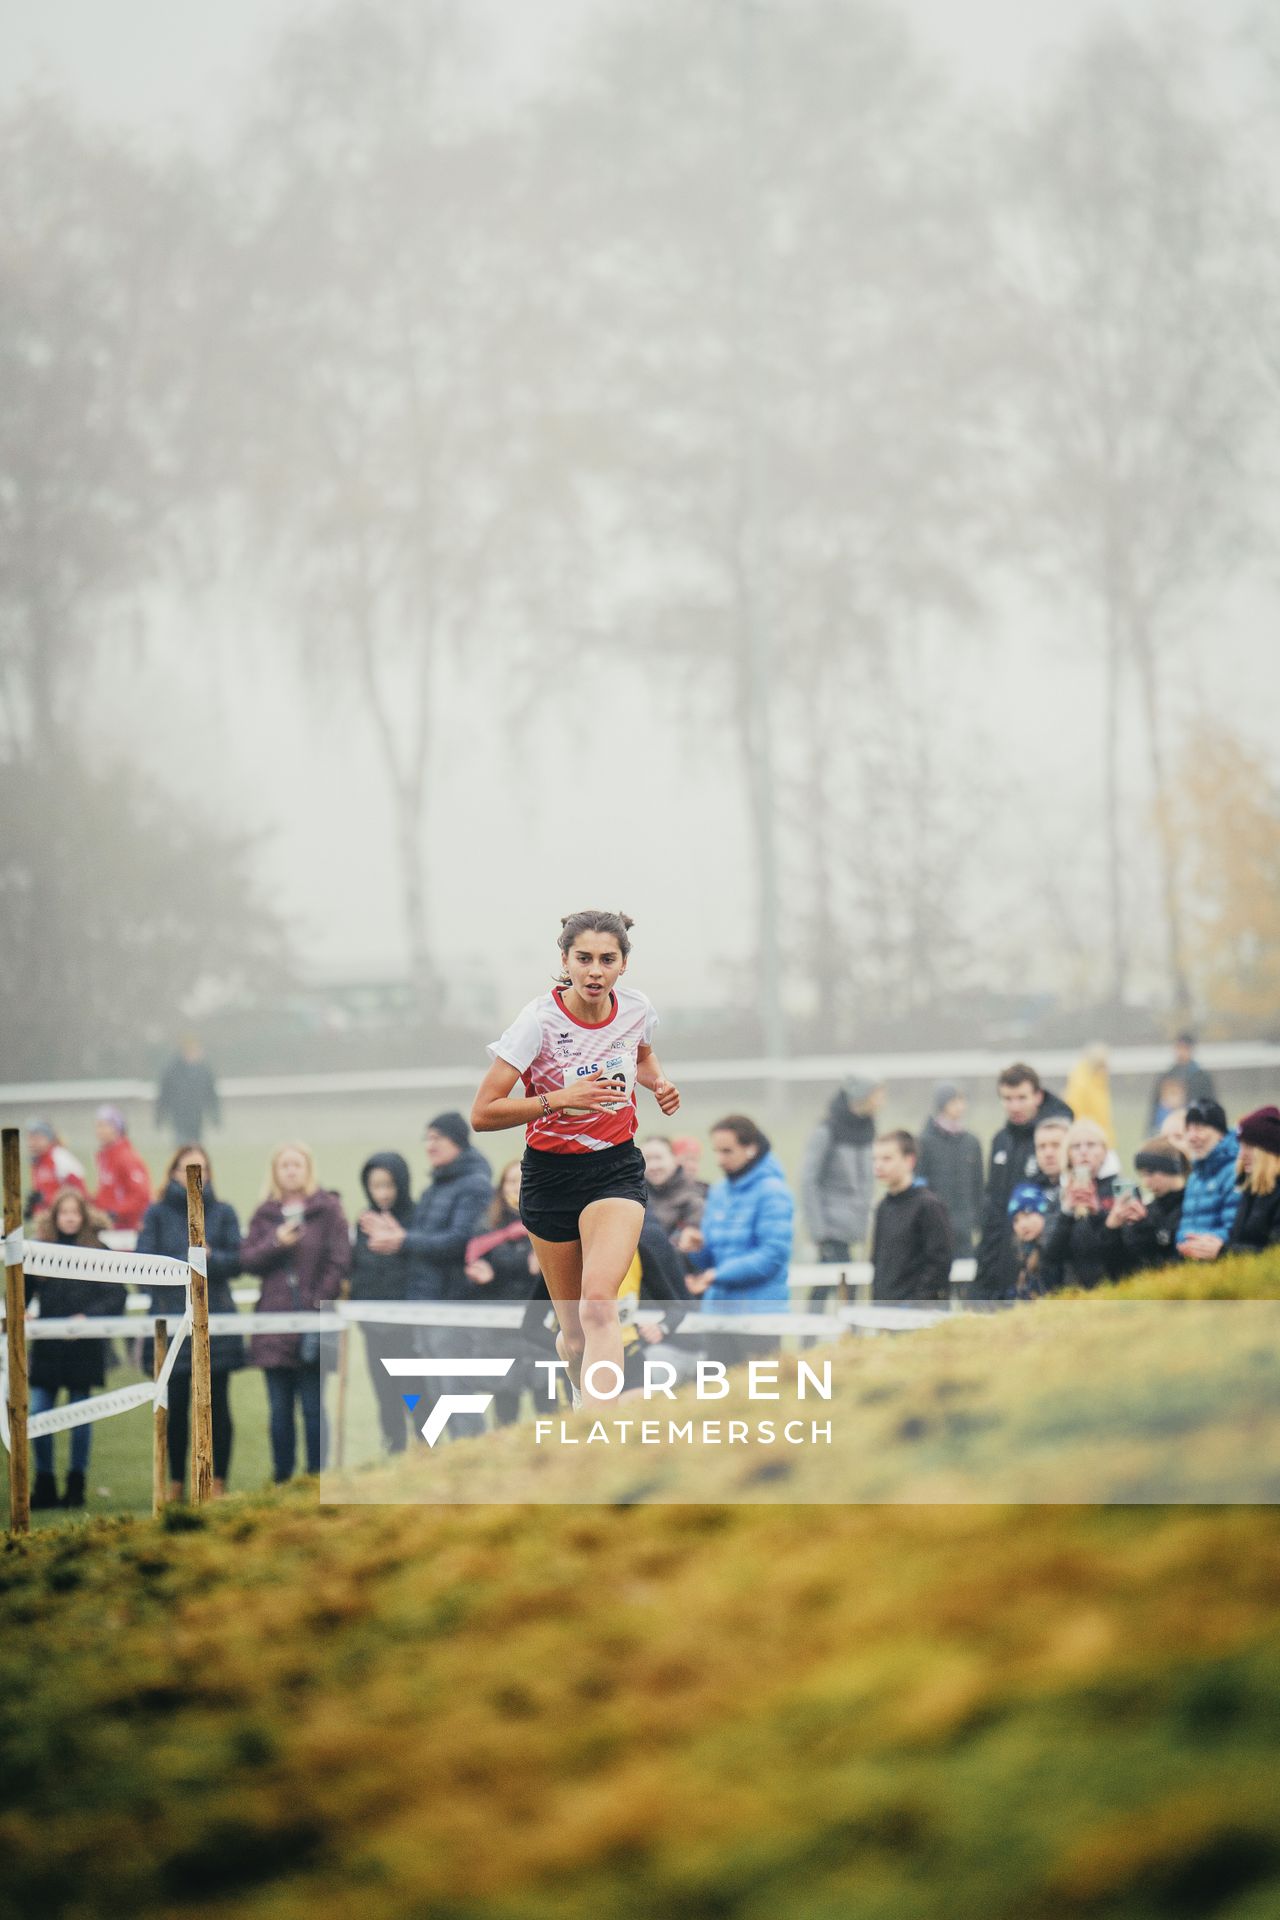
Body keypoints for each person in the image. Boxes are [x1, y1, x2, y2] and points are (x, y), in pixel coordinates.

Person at [471, 910, 681, 1412]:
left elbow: (642, 1054)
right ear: (565, 960)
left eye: (607, 960)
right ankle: (584, 1391)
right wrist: (558, 1099)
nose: (594, 971)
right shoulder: (537, 1022)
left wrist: (658, 1083)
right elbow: (483, 1113)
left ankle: (598, 1430)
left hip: (615, 1170)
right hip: (549, 1178)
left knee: (599, 1306)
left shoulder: (635, 1008)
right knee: (576, 1336)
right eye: (583, 959)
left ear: (623, 965)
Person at [362, 1114, 495, 1439]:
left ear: (459, 1141)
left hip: (451, 1305)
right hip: (426, 1305)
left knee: (456, 1397)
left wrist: (403, 1240)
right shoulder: (438, 1184)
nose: (430, 1145)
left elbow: (461, 1241)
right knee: (438, 1398)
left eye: (438, 1138)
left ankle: (474, 1465)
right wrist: (401, 1237)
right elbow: (425, 1239)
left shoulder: (474, 1185)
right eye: (427, 1138)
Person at [137, 1143, 244, 1501]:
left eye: (200, 1168)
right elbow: (143, 1267)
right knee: (176, 1408)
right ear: (172, 1173)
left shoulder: (224, 1212)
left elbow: (237, 1261)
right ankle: (176, 1485)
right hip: (173, 1324)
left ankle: (217, 1484)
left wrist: (212, 1259)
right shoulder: (155, 1215)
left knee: (219, 1407)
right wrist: (179, 1266)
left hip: (217, 1320)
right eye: (186, 1168)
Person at [243, 1144, 349, 1481]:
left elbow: (340, 1261)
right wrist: (276, 1243)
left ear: (308, 1169)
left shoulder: (328, 1210)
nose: (291, 1171)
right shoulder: (265, 1215)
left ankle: (318, 1477)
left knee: (314, 1407)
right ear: (275, 1172)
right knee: (279, 1410)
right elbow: (248, 1260)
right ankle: (283, 1478)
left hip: (314, 1324)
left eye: (297, 1164)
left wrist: (317, 1303)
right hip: (273, 1325)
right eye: (284, 1165)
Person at [25, 1188, 125, 1510]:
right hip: (48, 1348)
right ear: (54, 1217)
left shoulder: (98, 1250)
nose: (69, 1217)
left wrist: (87, 1318)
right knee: (39, 1413)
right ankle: (44, 1484)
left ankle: (76, 1485)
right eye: (63, 1212)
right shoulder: (39, 1252)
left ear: (83, 1216)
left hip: (84, 1348)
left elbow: (116, 1296)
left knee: (80, 1417)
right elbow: (21, 1289)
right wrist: (23, 1310)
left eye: (75, 1212)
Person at [677, 1115, 793, 1367]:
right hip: (718, 1315)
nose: (719, 1159)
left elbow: (772, 1255)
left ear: (751, 1148)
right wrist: (696, 1248)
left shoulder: (773, 1192)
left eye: (727, 1151)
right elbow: (710, 1256)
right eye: (716, 1151)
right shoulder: (718, 1191)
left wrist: (717, 1275)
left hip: (760, 1317)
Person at [973, 1065, 1072, 1299]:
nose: (1014, 1106)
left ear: (1038, 1096)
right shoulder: (1001, 1140)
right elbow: (994, 1204)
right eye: (1007, 1098)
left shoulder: (1056, 1137)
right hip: (999, 1258)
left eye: (1021, 1098)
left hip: (1040, 1259)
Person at [464, 1161, 542, 1425]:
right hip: (499, 1330)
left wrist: (545, 1269)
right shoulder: (487, 1227)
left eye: (522, 1179)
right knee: (506, 1401)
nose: (516, 1187)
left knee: (547, 1398)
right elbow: (474, 1271)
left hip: (539, 1326)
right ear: (500, 1187)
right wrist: (481, 1279)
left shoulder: (549, 1222)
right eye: (510, 1181)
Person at [349, 1151, 417, 1455]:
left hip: (409, 1329)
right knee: (385, 1393)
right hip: (375, 1330)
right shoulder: (363, 1223)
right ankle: (394, 1448)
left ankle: (427, 1448)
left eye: (389, 1185)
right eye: (376, 1186)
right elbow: (359, 1272)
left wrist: (398, 1240)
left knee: (414, 1392)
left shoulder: (416, 1219)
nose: (383, 1193)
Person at [800, 1075, 883, 1271]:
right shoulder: (826, 1132)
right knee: (834, 1286)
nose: (882, 1100)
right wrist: (818, 1232)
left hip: (856, 1227)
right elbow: (808, 1180)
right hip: (831, 1230)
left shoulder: (868, 1129)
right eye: (877, 1094)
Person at [868, 1130, 953, 1302]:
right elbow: (878, 1261)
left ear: (909, 1161)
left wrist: (918, 1302)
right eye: (875, 1159)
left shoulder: (929, 1206)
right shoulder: (883, 1207)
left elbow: (939, 1262)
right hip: (885, 1310)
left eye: (887, 1159)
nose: (878, 1165)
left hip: (917, 1315)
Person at [1043, 1118, 1118, 1290]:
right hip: (1071, 1292)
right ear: (1067, 1155)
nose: (1083, 1151)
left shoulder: (1121, 1191)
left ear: (1105, 1151)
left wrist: (1097, 1214)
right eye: (1076, 1146)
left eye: (1091, 1145)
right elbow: (1049, 1257)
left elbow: (1124, 1251)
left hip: (1113, 1288)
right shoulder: (1057, 1196)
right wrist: (1066, 1213)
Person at [1103, 1139, 1189, 1278]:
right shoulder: (1148, 1210)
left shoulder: (1192, 1206)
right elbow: (1125, 1266)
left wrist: (1148, 1228)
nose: (1145, 1182)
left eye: (1150, 1174)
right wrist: (1113, 1229)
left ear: (1169, 1169)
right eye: (1142, 1175)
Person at [916, 1082, 984, 1253]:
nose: (960, 1107)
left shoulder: (971, 1142)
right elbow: (919, 1182)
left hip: (964, 1226)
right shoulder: (925, 1142)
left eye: (962, 1101)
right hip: (935, 1225)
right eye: (954, 1102)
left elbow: (978, 1184)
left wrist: (977, 1218)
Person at [1177, 1100, 1241, 1262]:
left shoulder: (1234, 1172)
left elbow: (1234, 1228)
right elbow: (1186, 1225)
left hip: (1223, 1264)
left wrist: (1201, 1246)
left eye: (1199, 1129)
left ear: (1220, 1133)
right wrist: (1182, 1243)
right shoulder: (1195, 1177)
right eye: (1188, 1130)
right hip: (1193, 1264)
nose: (1192, 1137)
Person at [1225, 1107, 1280, 1257]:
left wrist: (1223, 1251)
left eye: (1249, 1146)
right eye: (1241, 1146)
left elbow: (1273, 1255)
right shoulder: (1250, 1189)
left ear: (1270, 1151)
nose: (1242, 1155)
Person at [90, 1105, 152, 1232]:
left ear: (117, 1129)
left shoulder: (126, 1157)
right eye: (97, 1125)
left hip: (126, 1229)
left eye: (104, 1125)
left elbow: (141, 1195)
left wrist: (115, 1213)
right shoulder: (104, 1157)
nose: (99, 1130)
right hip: (109, 1226)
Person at [155, 1035, 221, 1145]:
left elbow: (211, 1095)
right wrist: (159, 1117)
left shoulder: (204, 1070)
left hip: (197, 1118)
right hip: (178, 1117)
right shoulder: (172, 1070)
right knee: (182, 1149)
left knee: (196, 1150)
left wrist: (215, 1116)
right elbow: (164, 1095)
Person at [1147, 1032, 1217, 1133]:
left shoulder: (1202, 1077)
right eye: (1178, 1048)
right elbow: (1155, 1107)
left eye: (1184, 1048)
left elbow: (1210, 1104)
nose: (1181, 1052)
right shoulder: (1166, 1076)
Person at [640, 1136, 705, 1242]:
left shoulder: (695, 1194)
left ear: (675, 1158)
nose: (653, 1166)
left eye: (658, 1158)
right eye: (647, 1159)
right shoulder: (635, 1195)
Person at [1005, 1184, 1060, 1298]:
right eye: (1016, 1220)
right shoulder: (1021, 1253)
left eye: (1027, 1215)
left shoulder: (1055, 1248)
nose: (1022, 1225)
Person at [24, 1120, 86, 1220]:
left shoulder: (60, 1156)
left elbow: (79, 1192)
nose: (32, 1142)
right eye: (30, 1138)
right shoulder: (37, 1161)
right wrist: (34, 1208)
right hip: (47, 1221)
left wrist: (46, 1200)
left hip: (63, 1221)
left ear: (48, 1138)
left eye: (37, 1138)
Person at [1065, 1042, 1115, 1145]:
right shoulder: (1080, 1084)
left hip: (1102, 1140)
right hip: (1090, 1143)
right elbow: (1076, 1116)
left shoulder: (1099, 1082)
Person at [671, 1136, 710, 1200]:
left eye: (696, 1160)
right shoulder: (658, 1192)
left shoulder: (707, 1191)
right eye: (687, 1159)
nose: (692, 1166)